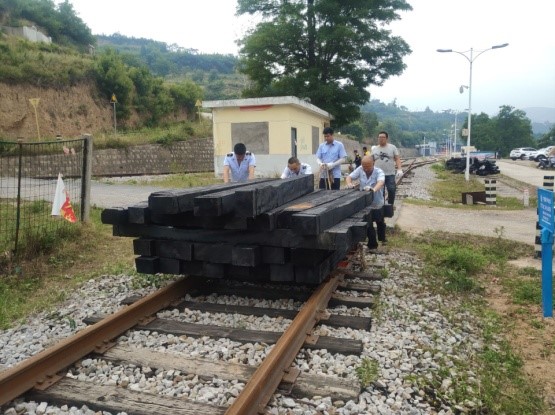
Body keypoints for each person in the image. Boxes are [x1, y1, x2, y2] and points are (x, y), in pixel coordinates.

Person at [346, 155, 385, 250]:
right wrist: (349, 184)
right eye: (364, 167)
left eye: (368, 167)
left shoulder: (379, 171)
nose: (366, 169)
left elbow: (381, 182)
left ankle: (382, 238)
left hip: (377, 201)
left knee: (380, 221)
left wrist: (373, 189)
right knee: (368, 222)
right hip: (365, 203)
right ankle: (372, 244)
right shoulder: (360, 169)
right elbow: (349, 177)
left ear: (373, 164)